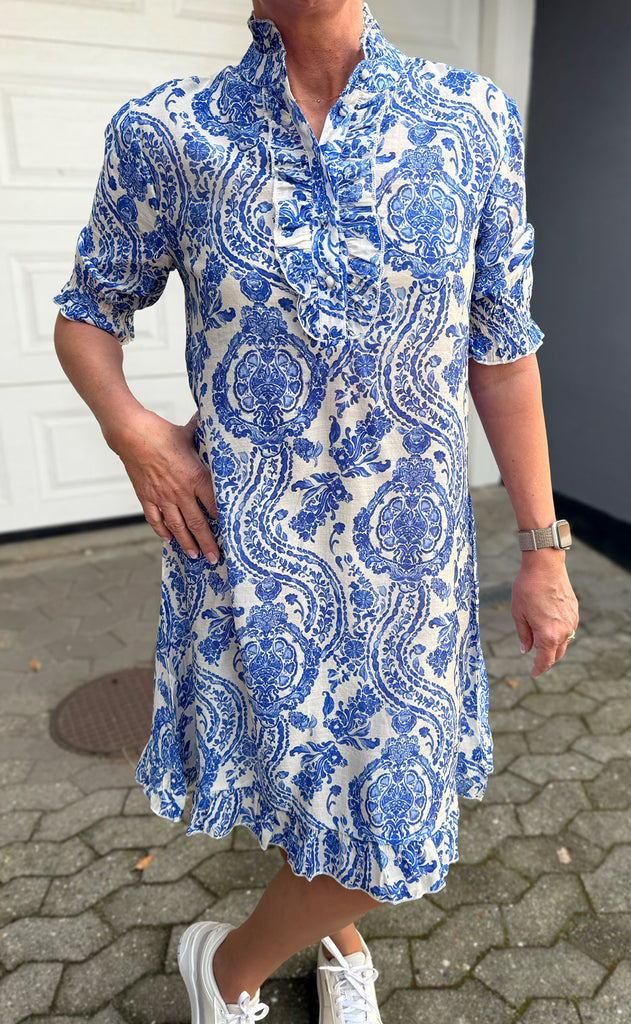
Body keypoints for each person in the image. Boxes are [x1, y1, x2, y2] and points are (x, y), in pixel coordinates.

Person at [53, 1, 579, 1021]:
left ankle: (223, 967)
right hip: (246, 551)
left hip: (409, 569)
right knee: (299, 774)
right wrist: (135, 435)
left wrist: (542, 549)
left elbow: (503, 353)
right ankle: (331, 940)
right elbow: (88, 311)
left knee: (395, 827)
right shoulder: (171, 130)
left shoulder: (468, 118)